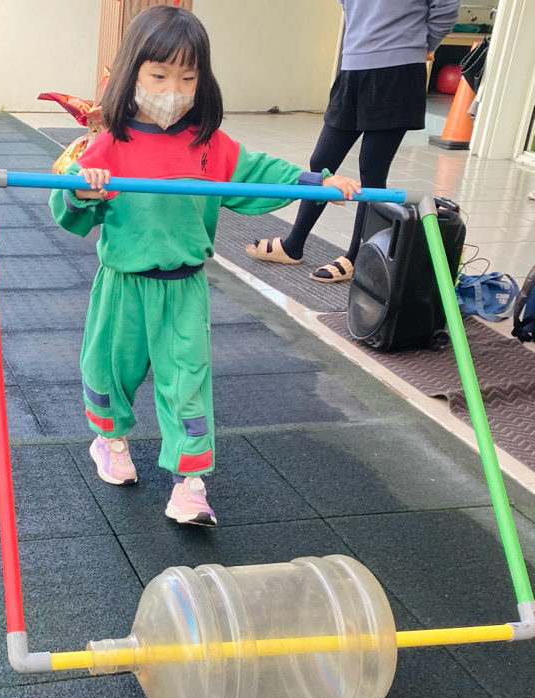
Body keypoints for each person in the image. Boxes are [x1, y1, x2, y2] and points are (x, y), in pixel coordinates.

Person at [50, 6, 359, 526]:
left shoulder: (207, 145)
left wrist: (314, 182)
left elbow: (257, 173)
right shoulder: (111, 144)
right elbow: (68, 207)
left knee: (186, 381)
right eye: (159, 76)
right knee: (110, 367)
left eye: (188, 78)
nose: (173, 90)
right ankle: (109, 439)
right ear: (132, 75)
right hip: (124, 285)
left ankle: (189, 483)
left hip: (183, 287)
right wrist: (82, 190)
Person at [245, 0, 460, 282]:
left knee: (372, 169)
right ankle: (294, 244)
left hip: (398, 66)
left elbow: (446, 7)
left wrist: (421, 44)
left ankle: (358, 256)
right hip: (353, 63)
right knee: (322, 161)